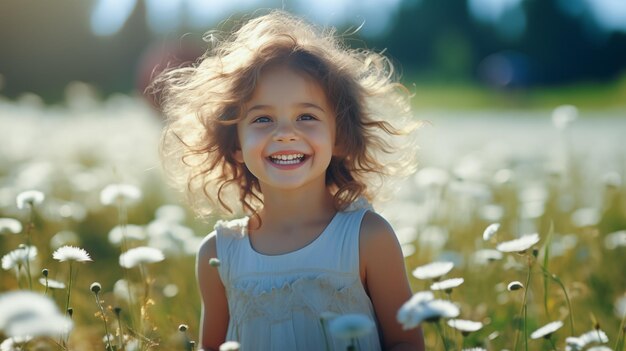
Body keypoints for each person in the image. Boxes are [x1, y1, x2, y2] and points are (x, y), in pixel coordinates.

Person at [153, 10, 425, 351]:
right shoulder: (219, 254)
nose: (285, 134)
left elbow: (405, 342)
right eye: (263, 118)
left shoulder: (368, 238)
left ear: (339, 137)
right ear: (235, 144)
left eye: (306, 116)